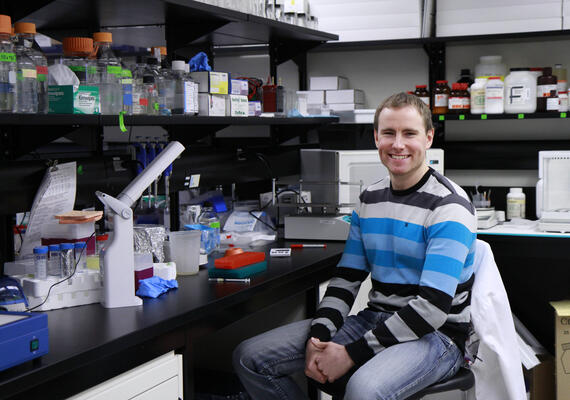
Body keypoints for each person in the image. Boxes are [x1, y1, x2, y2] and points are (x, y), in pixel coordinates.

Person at [233, 92, 477, 400]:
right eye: (388, 133)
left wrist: (350, 353)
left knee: (363, 389)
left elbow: (431, 309)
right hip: (375, 318)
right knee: (252, 357)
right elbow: (347, 278)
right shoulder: (369, 199)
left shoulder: (449, 206)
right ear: (376, 138)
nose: (398, 144)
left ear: (428, 138)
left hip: (437, 337)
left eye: (409, 133)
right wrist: (319, 335)